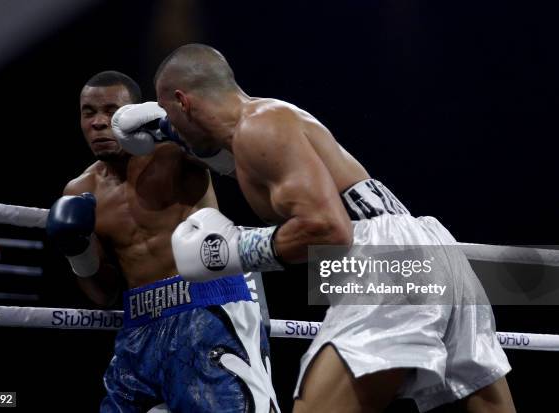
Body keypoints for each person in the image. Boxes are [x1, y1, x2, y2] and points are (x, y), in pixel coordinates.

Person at [113, 44, 516, 412]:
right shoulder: (259, 129)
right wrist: (164, 128)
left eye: (172, 117)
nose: (173, 130)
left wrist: (236, 250)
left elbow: (327, 228)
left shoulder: (258, 128)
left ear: (183, 101)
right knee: (487, 404)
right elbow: (227, 160)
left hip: (383, 262)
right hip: (427, 249)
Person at [46, 70, 279, 412]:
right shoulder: (80, 192)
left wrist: (169, 123)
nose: (98, 122)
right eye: (88, 112)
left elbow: (232, 157)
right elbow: (103, 294)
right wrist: (77, 252)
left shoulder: (174, 151)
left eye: (111, 110)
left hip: (206, 309)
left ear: (132, 112)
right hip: (138, 328)